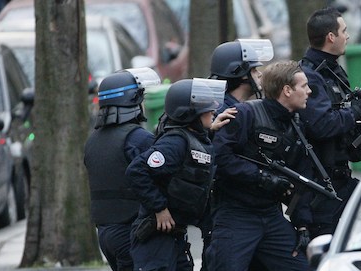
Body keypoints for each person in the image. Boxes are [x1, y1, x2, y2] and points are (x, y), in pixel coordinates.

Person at [206, 61, 313, 271]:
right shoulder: (245, 114)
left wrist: (302, 224)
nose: (309, 91)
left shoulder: (296, 126)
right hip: (237, 214)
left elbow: (301, 178)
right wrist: (261, 176)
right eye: (304, 86)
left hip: (271, 215)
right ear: (287, 90)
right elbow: (220, 157)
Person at [125, 78, 228, 271]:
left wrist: (211, 130)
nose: (214, 110)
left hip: (175, 237)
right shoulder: (174, 143)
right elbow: (137, 171)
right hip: (155, 239)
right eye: (207, 107)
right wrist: (159, 208)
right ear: (190, 113)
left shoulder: (193, 138)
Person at [298, 7, 361, 239]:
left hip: (342, 176)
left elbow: (346, 119)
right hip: (323, 184)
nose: (348, 36)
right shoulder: (310, 76)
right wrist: (357, 110)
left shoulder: (333, 70)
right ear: (331, 37)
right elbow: (322, 125)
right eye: (344, 31)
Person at [203, 39, 274, 271]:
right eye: (254, 70)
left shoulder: (234, 106)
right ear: (240, 74)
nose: (260, 75)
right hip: (230, 208)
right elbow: (223, 160)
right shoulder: (227, 111)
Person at [83, 68, 159, 271]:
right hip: (132, 230)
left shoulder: (93, 140)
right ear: (132, 100)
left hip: (106, 233)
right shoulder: (138, 138)